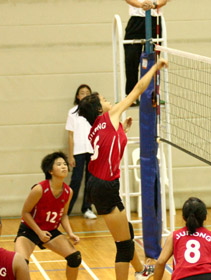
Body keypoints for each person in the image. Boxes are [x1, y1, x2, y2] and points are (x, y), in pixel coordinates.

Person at [77, 58, 168, 280]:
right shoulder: (109, 116)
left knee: (126, 230)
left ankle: (139, 270)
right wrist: (155, 68)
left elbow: (109, 147)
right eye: (105, 100)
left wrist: (122, 132)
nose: (110, 101)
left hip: (100, 184)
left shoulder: (95, 129)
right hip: (104, 186)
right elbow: (137, 90)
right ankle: (138, 272)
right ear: (100, 109)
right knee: (124, 244)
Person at [14, 152, 81, 280]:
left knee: (75, 257)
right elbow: (25, 213)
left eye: (65, 164)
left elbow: (64, 215)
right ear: (50, 170)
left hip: (50, 231)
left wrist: (70, 233)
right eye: (59, 164)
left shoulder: (68, 191)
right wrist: (39, 232)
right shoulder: (39, 189)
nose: (64, 167)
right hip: (30, 230)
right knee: (20, 264)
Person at [154, 197, 211, 280]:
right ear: (205, 217)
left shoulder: (174, 236)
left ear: (183, 217)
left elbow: (160, 262)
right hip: (209, 277)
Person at [124, 0, 168, 98]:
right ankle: (131, 95)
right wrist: (141, 5)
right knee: (131, 58)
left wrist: (154, 5)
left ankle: (151, 94)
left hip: (154, 20)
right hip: (136, 21)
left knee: (152, 60)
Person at [65, 84, 96, 219]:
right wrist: (70, 155)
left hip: (92, 151)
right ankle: (67, 210)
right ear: (78, 96)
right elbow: (70, 135)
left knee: (90, 181)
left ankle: (87, 208)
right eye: (82, 93)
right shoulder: (72, 112)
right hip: (78, 152)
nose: (85, 95)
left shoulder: (95, 111)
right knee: (76, 181)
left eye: (87, 92)